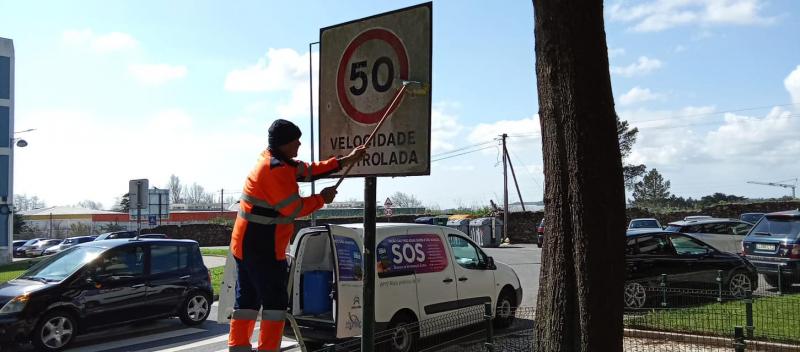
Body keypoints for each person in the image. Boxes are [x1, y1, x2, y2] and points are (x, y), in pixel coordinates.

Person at [228, 119, 365, 352]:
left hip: (245, 244)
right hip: (263, 247)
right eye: (295, 141)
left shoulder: (274, 161)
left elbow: (309, 170)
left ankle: (239, 348)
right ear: (283, 144)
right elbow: (294, 209)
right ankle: (267, 349)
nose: (299, 144)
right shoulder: (275, 171)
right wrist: (322, 199)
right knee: (274, 304)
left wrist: (344, 161)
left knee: (247, 301)